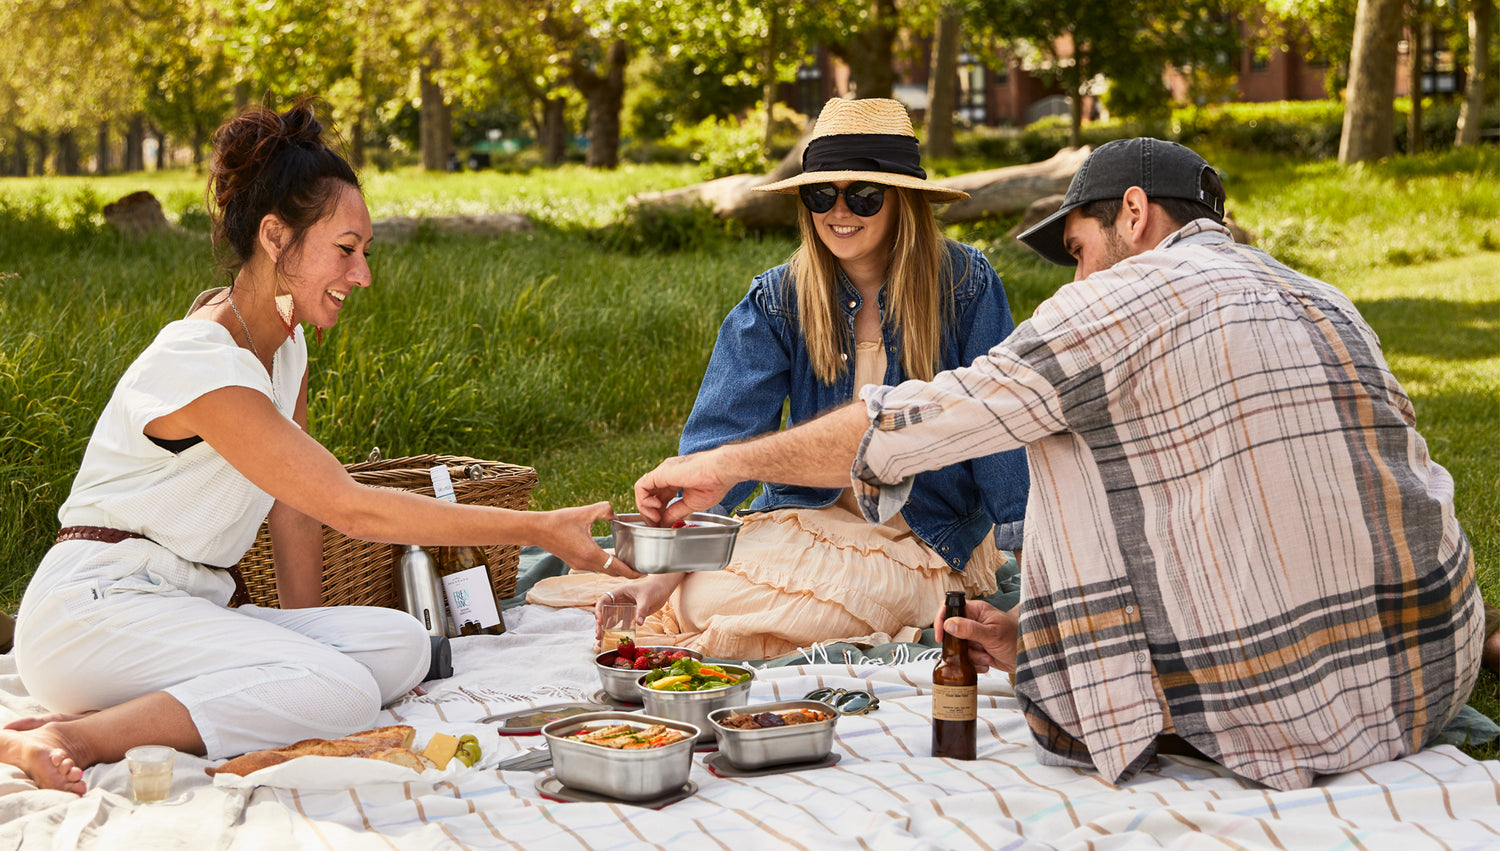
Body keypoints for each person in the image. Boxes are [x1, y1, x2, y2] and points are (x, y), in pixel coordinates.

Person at [635, 137, 1485, 790]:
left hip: (1277, 714)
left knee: (1058, 441)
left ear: (1136, 213)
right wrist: (1041, 634)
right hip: (1431, 666)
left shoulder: (1107, 302)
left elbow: (912, 424)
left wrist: (724, 466)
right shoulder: (1324, 297)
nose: (1074, 275)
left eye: (1077, 248)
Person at [0, 100, 628, 795]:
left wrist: (298, 634)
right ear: (275, 236)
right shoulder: (202, 359)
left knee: (402, 646)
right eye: (346, 249)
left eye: (365, 252)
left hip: (184, 605)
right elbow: (349, 508)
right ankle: (70, 735)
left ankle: (206, 693)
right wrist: (540, 528)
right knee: (343, 691)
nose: (362, 275)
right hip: (95, 608)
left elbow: (294, 509)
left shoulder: (285, 344)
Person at [531, 97, 1028, 659]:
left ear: (903, 201)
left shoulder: (964, 285)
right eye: (822, 194)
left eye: (864, 195)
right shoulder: (778, 298)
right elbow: (721, 450)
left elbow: (1000, 432)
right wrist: (663, 577)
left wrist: (1034, 564)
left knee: (821, 609)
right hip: (806, 518)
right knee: (705, 600)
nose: (840, 212)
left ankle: (832, 618)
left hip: (922, 531)